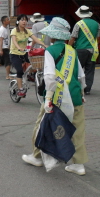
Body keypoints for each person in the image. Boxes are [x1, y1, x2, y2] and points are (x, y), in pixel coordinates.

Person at [22, 17, 88, 176]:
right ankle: (78, 165)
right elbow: (80, 76)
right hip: (74, 96)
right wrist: (82, 93)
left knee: (42, 125)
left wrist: (48, 99)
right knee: (77, 130)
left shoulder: (50, 51)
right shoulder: (72, 51)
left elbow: (50, 77)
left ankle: (37, 157)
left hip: (57, 97)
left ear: (52, 35)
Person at [10, 14, 48, 97]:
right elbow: (14, 41)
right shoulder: (14, 30)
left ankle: (28, 75)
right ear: (18, 21)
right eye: (22, 20)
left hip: (24, 53)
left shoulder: (27, 31)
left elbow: (35, 39)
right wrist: (19, 47)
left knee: (34, 65)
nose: (24, 22)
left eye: (25, 20)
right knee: (19, 71)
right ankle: (20, 90)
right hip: (15, 54)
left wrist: (44, 45)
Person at [69, 5, 100, 95]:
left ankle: (77, 88)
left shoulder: (78, 24)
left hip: (80, 50)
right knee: (90, 70)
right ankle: (87, 89)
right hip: (92, 51)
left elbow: (73, 38)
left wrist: (68, 47)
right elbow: (98, 38)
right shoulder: (96, 24)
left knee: (77, 70)